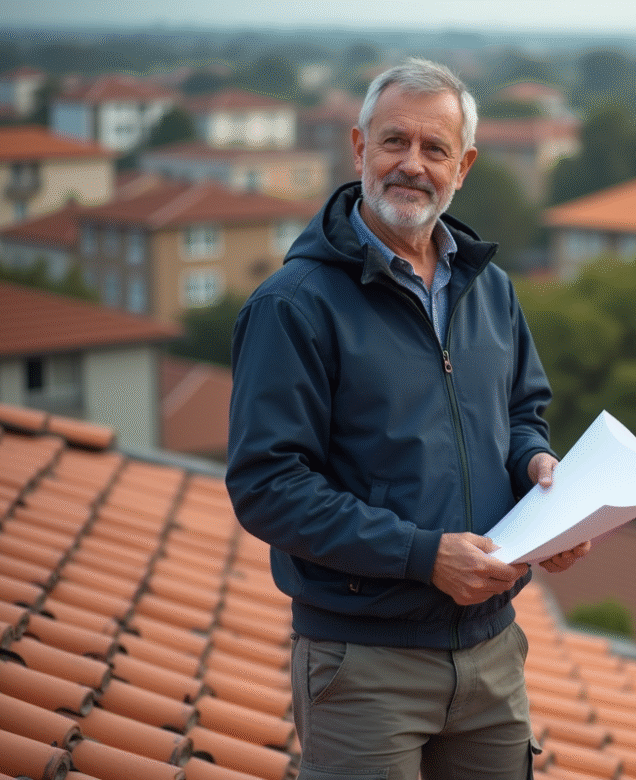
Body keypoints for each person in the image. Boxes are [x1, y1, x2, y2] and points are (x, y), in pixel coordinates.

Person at [225, 58, 590, 780]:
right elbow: (267, 486)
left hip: (492, 652)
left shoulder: (491, 290)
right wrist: (424, 556)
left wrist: (538, 473)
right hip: (363, 666)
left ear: (464, 166)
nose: (412, 165)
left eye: (435, 149)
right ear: (359, 147)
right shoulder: (293, 305)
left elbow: (522, 414)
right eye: (395, 141)